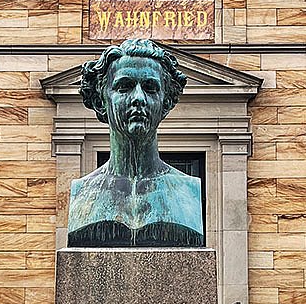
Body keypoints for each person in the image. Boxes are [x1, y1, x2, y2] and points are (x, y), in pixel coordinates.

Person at [67, 38, 204, 248]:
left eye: (150, 88)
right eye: (124, 87)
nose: (138, 97)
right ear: (100, 101)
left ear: (165, 103)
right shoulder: (84, 193)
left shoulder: (187, 191)